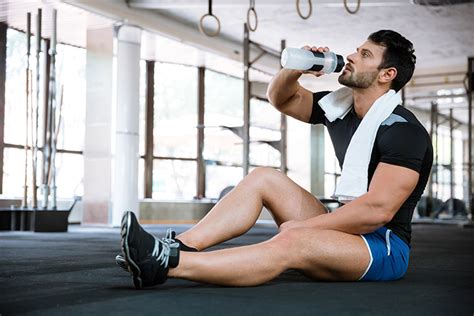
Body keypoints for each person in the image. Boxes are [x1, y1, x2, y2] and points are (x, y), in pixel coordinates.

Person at [117, 29, 433, 289]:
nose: (350, 56)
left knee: (293, 241)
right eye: (356, 49)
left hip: (383, 247)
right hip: (347, 227)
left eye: (365, 55)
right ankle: (178, 246)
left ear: (386, 74)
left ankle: (166, 264)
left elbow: (377, 211)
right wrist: (294, 70)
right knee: (264, 177)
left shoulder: (403, 130)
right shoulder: (340, 110)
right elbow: (280, 98)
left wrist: (306, 228)